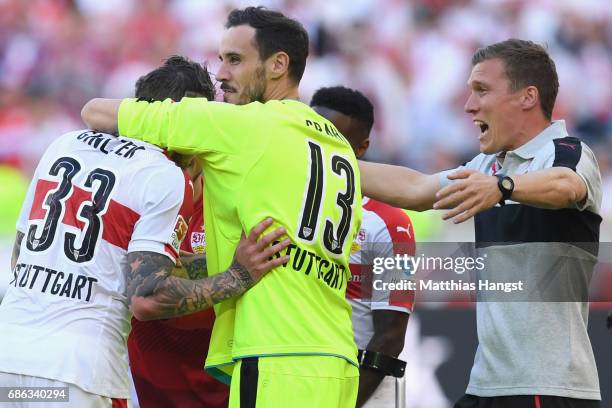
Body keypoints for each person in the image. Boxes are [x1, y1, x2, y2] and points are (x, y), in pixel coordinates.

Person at [81, 7, 363, 408]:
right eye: (221, 60)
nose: (222, 75)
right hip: (337, 359)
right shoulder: (335, 144)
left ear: (279, 64)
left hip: (275, 356)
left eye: (234, 60)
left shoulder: (244, 126)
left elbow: (95, 111)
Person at [0, 56, 290, 407]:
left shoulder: (64, 145)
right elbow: (147, 298)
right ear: (183, 122)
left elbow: (21, 257)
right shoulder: (164, 175)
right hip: (80, 375)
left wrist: (199, 263)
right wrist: (237, 275)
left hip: (9, 361)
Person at [360, 39, 602, 407]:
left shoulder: (567, 152)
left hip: (545, 388)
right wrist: (325, 159)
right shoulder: (488, 166)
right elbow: (415, 188)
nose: (469, 105)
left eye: (481, 90)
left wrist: (502, 188)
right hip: (487, 385)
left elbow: (566, 185)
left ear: (527, 97)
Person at [126, 59, 228, 407]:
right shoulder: (124, 191)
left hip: (226, 392)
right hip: (140, 388)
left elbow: (395, 311)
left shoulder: (234, 195)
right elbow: (144, 298)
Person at [311, 86, 415, 407]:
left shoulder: (390, 224)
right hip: (298, 375)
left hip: (364, 387)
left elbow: (391, 336)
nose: (321, 148)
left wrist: (345, 402)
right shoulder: (286, 204)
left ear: (362, 147)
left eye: (335, 139)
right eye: (314, 136)